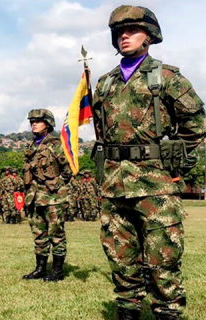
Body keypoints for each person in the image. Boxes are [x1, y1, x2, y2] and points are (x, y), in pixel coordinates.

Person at [92, 5, 205, 320]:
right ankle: (128, 309)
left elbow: (196, 128)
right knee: (120, 257)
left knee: (162, 259)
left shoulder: (167, 78)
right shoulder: (104, 83)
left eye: (132, 30)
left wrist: (175, 170)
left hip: (155, 185)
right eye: (118, 32)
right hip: (114, 184)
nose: (123, 36)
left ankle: (167, 312)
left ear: (150, 36)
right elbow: (102, 132)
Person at [22, 109, 72, 282]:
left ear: (48, 124)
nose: (33, 123)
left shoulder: (56, 144)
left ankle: (57, 271)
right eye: (32, 121)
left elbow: (68, 169)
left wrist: (57, 185)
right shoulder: (31, 146)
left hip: (53, 198)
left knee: (56, 234)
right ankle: (40, 269)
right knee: (39, 234)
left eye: (38, 121)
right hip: (34, 197)